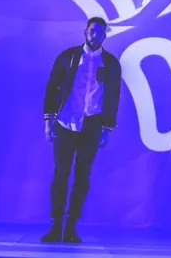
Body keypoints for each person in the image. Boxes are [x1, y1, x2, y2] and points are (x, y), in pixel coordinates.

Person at [41, 17, 122, 244]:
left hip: (92, 125)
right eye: (92, 31)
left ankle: (71, 227)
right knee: (61, 174)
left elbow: (114, 96)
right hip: (65, 123)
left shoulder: (111, 64)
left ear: (105, 35)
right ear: (85, 31)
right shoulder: (69, 57)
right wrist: (48, 120)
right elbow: (51, 88)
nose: (95, 35)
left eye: (100, 32)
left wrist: (107, 128)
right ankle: (56, 225)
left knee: (82, 176)